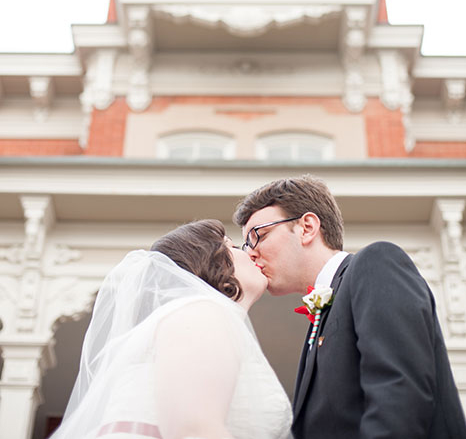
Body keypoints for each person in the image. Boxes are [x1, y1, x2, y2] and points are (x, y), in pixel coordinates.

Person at [234, 175, 466, 439]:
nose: (250, 253)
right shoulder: (319, 319)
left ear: (307, 227)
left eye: (258, 236)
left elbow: (398, 393)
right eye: (246, 244)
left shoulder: (376, 263)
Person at [50, 219, 292, 439]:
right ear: (213, 262)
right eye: (235, 247)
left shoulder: (206, 317)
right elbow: (193, 430)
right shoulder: (201, 313)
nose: (250, 254)